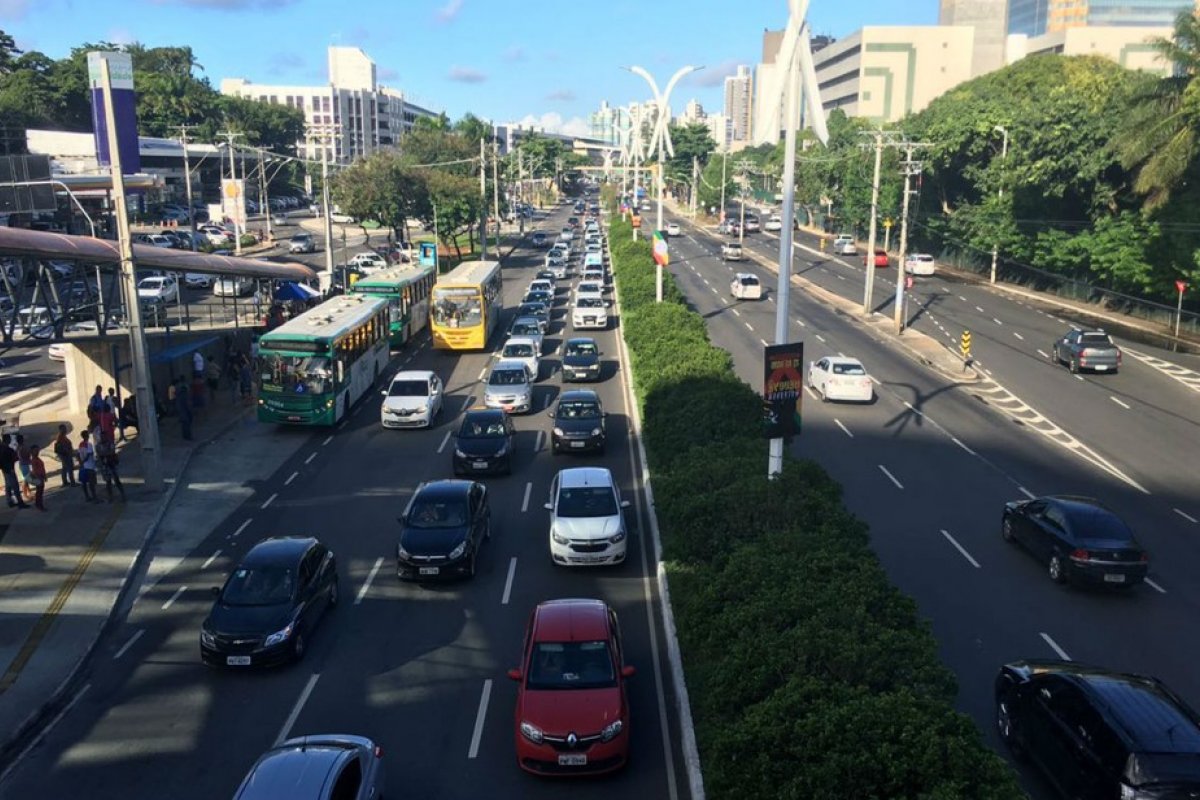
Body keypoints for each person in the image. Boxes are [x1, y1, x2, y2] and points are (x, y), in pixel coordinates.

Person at [0, 434, 27, 509]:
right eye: (9, 439)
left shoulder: (2, 447)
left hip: (5, 469)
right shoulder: (6, 449)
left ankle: (10, 501)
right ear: (7, 439)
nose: (10, 441)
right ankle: (20, 503)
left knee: (8, 485)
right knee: (15, 486)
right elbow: (9, 459)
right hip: (9, 469)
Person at [95, 436, 125, 503]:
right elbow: (100, 454)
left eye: (104, 437)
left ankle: (122, 495)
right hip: (106, 466)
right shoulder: (99, 445)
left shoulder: (109, 444)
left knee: (116, 481)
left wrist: (103, 454)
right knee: (108, 482)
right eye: (102, 437)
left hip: (111, 465)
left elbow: (111, 452)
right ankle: (111, 497)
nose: (103, 439)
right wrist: (106, 453)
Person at [77, 429, 99, 503]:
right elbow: (89, 455)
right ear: (87, 436)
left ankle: (87, 497)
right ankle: (94, 497)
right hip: (89, 466)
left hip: (83, 467)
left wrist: (81, 463)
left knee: (84, 483)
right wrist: (84, 461)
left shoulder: (80, 444)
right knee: (91, 483)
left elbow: (78, 454)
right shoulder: (89, 444)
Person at [28, 444, 46, 511]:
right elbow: (35, 470)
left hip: (40, 477)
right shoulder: (34, 460)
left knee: (39, 491)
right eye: (36, 450)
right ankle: (39, 505)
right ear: (32, 451)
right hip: (38, 477)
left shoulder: (36, 458)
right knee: (39, 492)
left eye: (38, 450)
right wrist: (39, 478)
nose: (37, 452)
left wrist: (44, 475)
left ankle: (38, 503)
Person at [15, 434, 31, 501]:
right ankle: (25, 495)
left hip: (24, 464)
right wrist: (28, 454)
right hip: (24, 465)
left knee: (27, 479)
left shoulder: (20, 447)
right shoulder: (20, 447)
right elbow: (22, 456)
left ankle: (29, 492)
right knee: (25, 480)